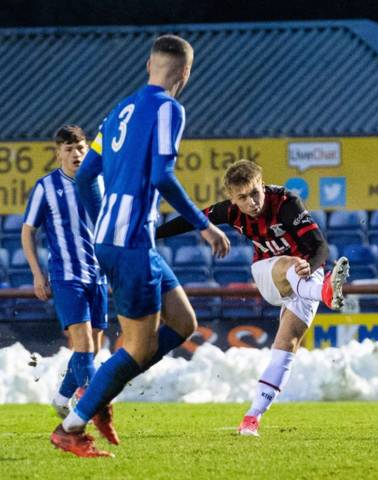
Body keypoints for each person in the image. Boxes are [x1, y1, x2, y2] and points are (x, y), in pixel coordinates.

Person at [50, 34, 230, 458]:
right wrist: (204, 224)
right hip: (130, 242)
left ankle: (100, 389)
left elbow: (85, 174)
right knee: (139, 348)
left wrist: (104, 223)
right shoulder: (169, 108)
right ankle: (72, 425)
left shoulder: (117, 111)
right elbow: (162, 175)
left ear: (149, 65)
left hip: (122, 239)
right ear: (185, 72)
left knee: (183, 322)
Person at [155, 159, 349, 437]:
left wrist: (313, 267)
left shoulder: (286, 202)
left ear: (263, 185)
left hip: (307, 273)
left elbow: (320, 246)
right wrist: (152, 233)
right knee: (289, 263)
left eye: (255, 193)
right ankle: (325, 292)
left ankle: (252, 417)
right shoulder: (230, 211)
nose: (251, 202)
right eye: (242, 197)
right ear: (233, 198)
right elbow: (191, 219)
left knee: (287, 343)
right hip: (267, 271)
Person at [21, 125, 108, 421]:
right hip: (67, 277)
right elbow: (27, 230)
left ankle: (61, 398)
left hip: (98, 276)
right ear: (58, 153)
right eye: (69, 149)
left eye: (81, 148)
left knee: (92, 349)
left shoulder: (98, 184)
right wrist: (36, 273)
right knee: (83, 347)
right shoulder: (46, 187)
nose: (76, 154)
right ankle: (96, 408)